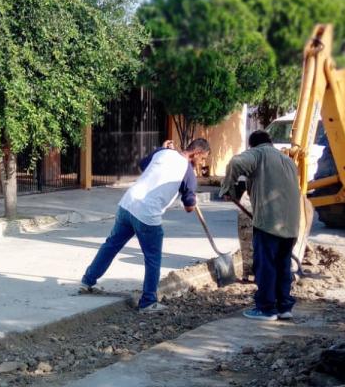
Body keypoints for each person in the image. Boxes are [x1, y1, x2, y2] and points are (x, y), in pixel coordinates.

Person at [80, 138, 211, 312]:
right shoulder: (188, 172)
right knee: (153, 257)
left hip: (127, 204)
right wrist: (192, 197)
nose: (201, 163)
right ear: (197, 153)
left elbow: (144, 165)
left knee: (110, 245)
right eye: (202, 159)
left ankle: (87, 281)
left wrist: (161, 150)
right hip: (147, 214)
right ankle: (148, 302)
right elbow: (188, 207)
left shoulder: (163, 152)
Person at [219, 131, 300, 322]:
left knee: (265, 265)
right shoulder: (287, 161)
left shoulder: (259, 153)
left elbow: (236, 163)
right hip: (291, 223)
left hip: (269, 222)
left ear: (253, 145)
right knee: (283, 265)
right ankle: (284, 307)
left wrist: (227, 188)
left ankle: (266, 308)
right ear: (270, 142)